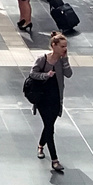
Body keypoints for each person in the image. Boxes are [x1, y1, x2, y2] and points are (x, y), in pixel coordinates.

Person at [29, 33, 72, 173]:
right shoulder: (43, 59)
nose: (65, 49)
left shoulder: (61, 60)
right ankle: (55, 160)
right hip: (42, 99)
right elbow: (32, 74)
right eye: (62, 46)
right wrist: (45, 75)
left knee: (49, 125)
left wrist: (65, 60)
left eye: (66, 46)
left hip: (55, 99)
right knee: (49, 127)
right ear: (54, 46)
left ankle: (41, 145)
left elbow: (69, 74)